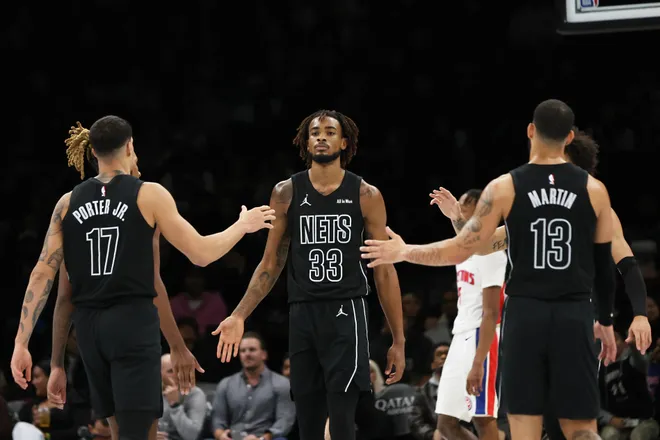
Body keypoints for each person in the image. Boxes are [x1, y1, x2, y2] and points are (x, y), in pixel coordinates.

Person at [360, 99, 618, 440]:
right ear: (570, 137)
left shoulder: (505, 188)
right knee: (582, 431)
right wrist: (606, 320)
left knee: (523, 427)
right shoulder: (595, 191)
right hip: (575, 314)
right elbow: (605, 263)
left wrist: (405, 251)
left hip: (525, 319)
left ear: (530, 131)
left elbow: (465, 248)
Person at [10, 116, 275, 440]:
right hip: (131, 326)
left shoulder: (66, 203)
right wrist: (242, 226)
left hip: (90, 332)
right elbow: (201, 254)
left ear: (92, 151)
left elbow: (46, 278)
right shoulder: (148, 194)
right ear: (131, 146)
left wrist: (27, 346)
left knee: (121, 434)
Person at [212, 109, 406, 440]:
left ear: (344, 143)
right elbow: (270, 262)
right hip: (302, 312)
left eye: (330, 132)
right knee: (308, 419)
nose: (321, 137)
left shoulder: (366, 195)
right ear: (305, 141)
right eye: (315, 132)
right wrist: (239, 314)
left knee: (343, 420)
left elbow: (384, 269)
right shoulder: (286, 192)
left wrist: (398, 340)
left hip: (347, 312)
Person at [429, 128, 652, 355]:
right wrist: (456, 217)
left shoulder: (598, 211)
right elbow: (481, 246)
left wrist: (641, 315)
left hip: (577, 320)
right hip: (528, 321)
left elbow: (628, 265)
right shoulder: (529, 209)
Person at [429, 189, 507, 440]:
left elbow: (491, 311)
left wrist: (456, 216)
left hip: (481, 335)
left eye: (464, 205)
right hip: (460, 336)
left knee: (483, 419)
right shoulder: (466, 247)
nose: (459, 209)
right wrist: (455, 217)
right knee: (445, 424)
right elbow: (465, 240)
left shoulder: (493, 250)